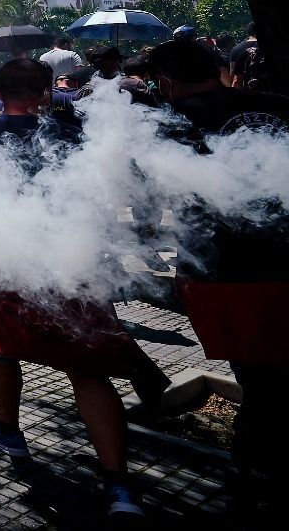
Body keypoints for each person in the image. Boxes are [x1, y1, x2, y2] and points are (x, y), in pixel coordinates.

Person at [0, 58, 154, 519]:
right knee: (87, 370)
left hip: (4, 259)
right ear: (44, 93)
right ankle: (120, 488)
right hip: (71, 258)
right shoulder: (71, 136)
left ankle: (7, 428)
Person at [147, 39, 289, 515]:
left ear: (166, 83)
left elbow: (148, 201)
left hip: (221, 276)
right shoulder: (279, 106)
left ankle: (258, 481)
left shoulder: (166, 125)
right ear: (220, 69)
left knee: (261, 384)